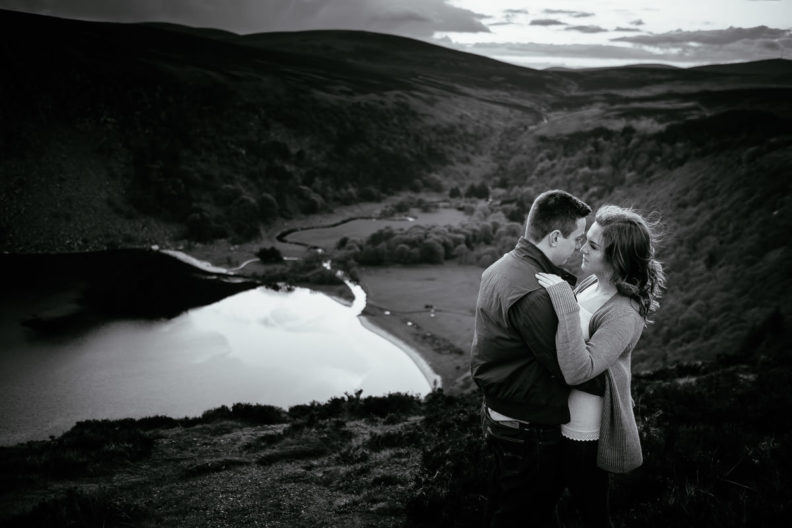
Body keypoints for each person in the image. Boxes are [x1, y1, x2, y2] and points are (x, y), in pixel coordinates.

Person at [536, 205, 665, 527]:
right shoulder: (590, 284)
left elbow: (581, 370)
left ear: (617, 257)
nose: (581, 247)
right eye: (586, 240)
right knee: (538, 506)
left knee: (592, 513)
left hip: (584, 434)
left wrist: (563, 301)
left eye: (593, 246)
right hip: (559, 420)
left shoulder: (623, 313)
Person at [470, 189, 591, 528]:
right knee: (524, 516)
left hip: (500, 413)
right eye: (577, 238)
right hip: (527, 427)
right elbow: (570, 370)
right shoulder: (535, 295)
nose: (579, 247)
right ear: (554, 237)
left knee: (508, 504)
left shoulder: (500, 267)